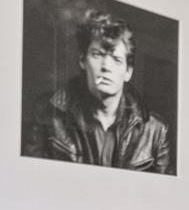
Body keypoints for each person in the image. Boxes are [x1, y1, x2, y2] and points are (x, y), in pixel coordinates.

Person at [23, 10, 172, 173]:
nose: (106, 67)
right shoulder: (48, 112)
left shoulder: (156, 130)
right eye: (98, 54)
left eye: (116, 59)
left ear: (128, 72)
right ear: (82, 60)